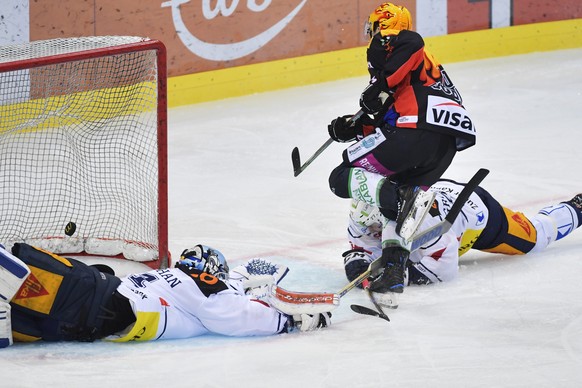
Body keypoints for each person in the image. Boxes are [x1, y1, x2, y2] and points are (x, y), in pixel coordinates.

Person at [327, 3, 476, 298]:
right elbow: (388, 120)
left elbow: (412, 42)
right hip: (441, 148)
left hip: (415, 135)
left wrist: (380, 85)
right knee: (395, 206)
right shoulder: (423, 74)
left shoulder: (399, 44)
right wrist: (354, 128)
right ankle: (395, 271)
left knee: (341, 175)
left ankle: (398, 198)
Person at [0, 243, 331, 348]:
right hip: (84, 303)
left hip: (81, 312)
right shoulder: (199, 283)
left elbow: (241, 279)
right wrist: (289, 320)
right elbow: (235, 316)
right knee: (11, 272)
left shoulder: (176, 278)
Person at [342, 179, 582, 307]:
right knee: (410, 252)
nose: (373, 232)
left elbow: (444, 270)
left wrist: (400, 274)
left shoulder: (424, 220)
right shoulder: (364, 213)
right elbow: (362, 245)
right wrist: (357, 263)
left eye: (377, 228)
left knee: (535, 238)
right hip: (435, 194)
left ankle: (576, 208)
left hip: (477, 212)